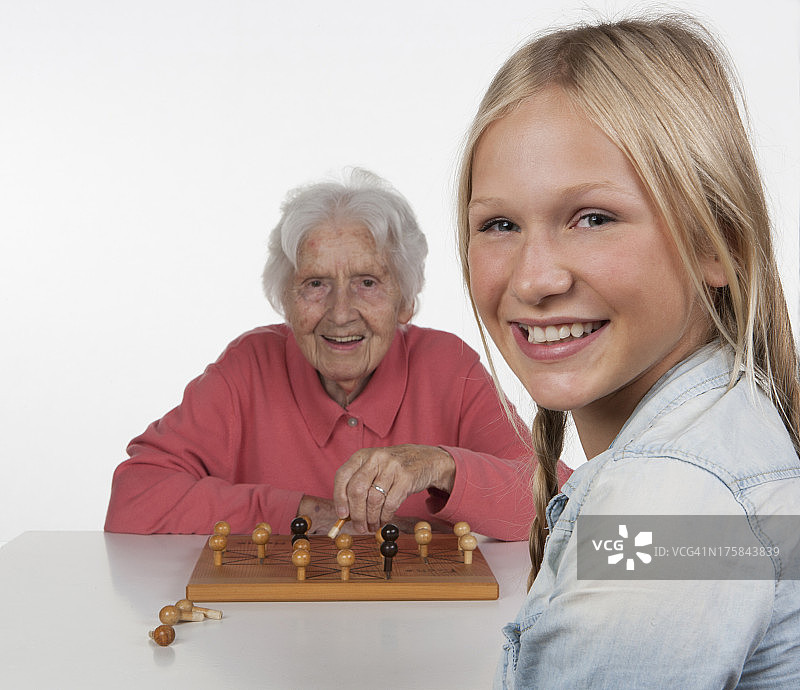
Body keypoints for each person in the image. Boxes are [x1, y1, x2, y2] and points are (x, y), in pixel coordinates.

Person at [457, 14, 800, 688]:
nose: (533, 278)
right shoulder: (717, 438)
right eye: (499, 224)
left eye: (592, 218)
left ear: (718, 244)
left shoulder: (667, 501)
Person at [105, 168, 569, 538]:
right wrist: (299, 513)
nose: (340, 312)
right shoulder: (248, 367)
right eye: (315, 284)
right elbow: (135, 497)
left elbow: (563, 505)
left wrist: (439, 464)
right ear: (285, 299)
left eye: (367, 283)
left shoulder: (448, 367)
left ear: (405, 299)